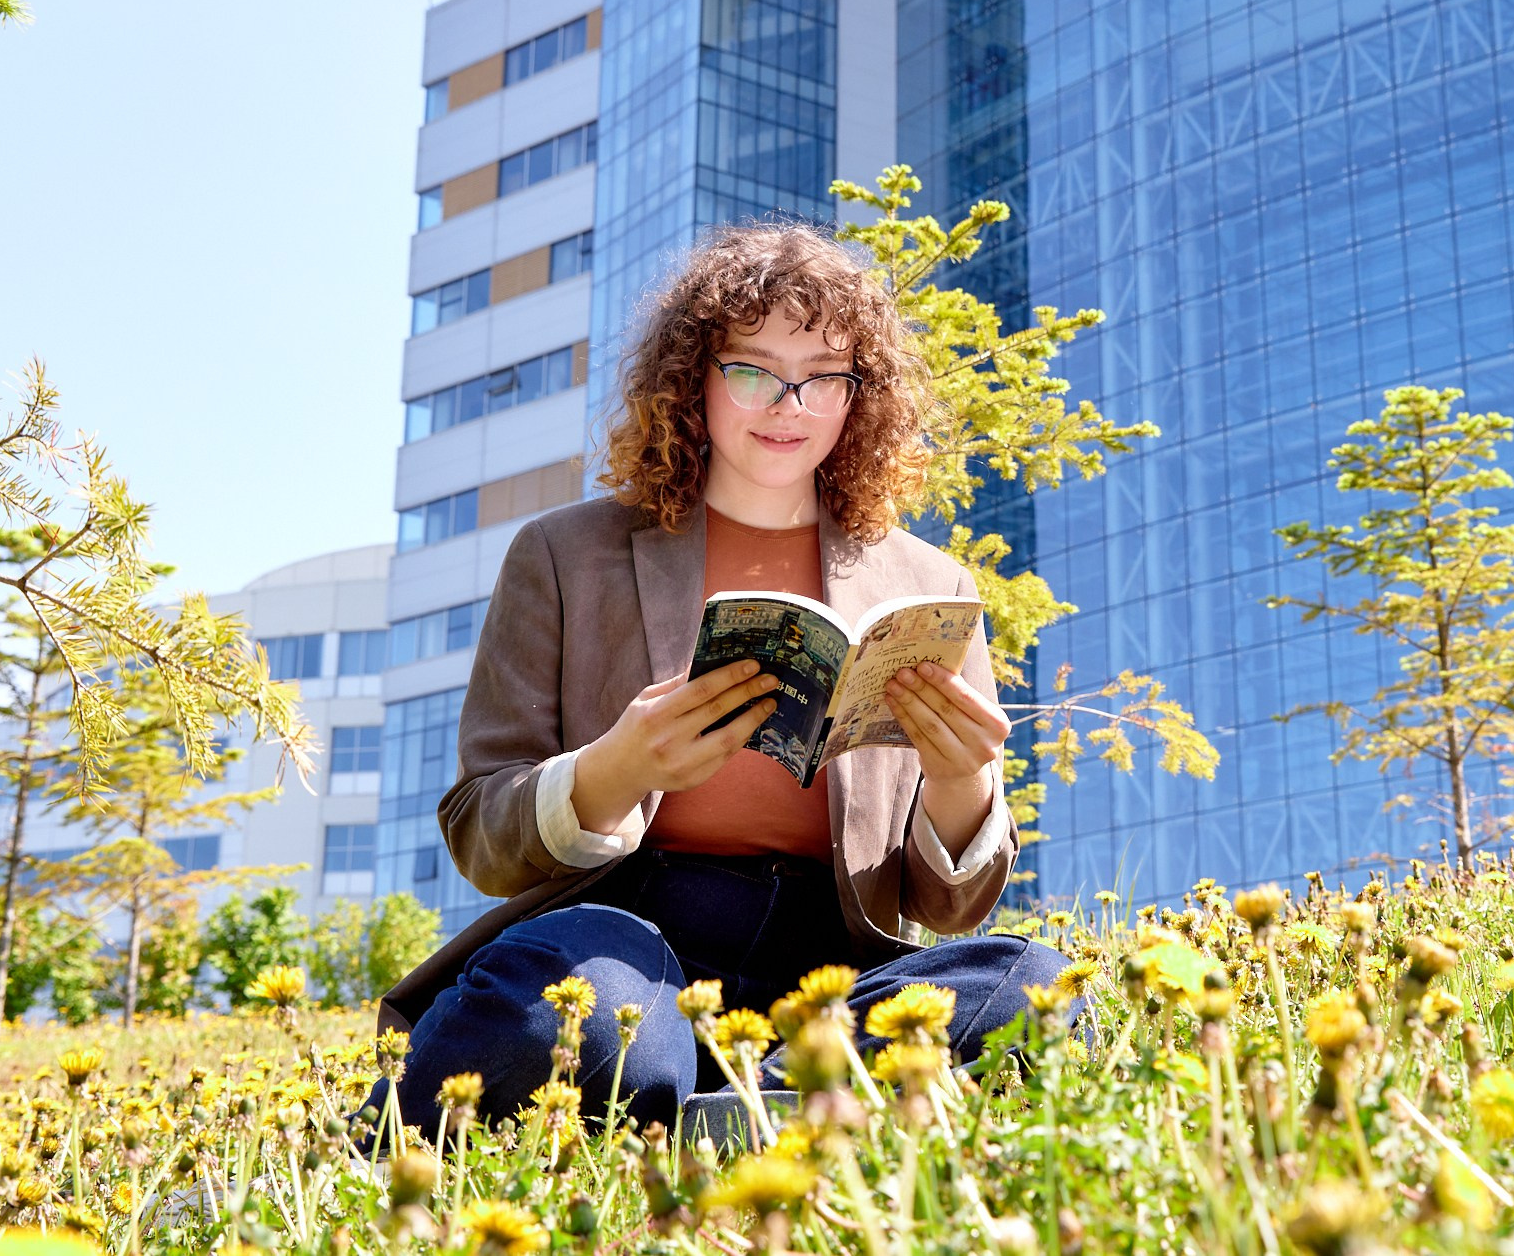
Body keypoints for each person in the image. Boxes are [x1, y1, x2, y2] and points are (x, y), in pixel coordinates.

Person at [377, 222, 1075, 1131]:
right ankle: (765, 1106)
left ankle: (733, 1102)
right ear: (692, 382)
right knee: (570, 1010)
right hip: (624, 939)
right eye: (752, 369)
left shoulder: (931, 586)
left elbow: (949, 907)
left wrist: (961, 783)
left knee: (1032, 987)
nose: (789, 404)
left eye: (824, 375)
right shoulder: (562, 555)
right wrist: (613, 769)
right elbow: (480, 834)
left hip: (833, 970)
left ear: (858, 397)